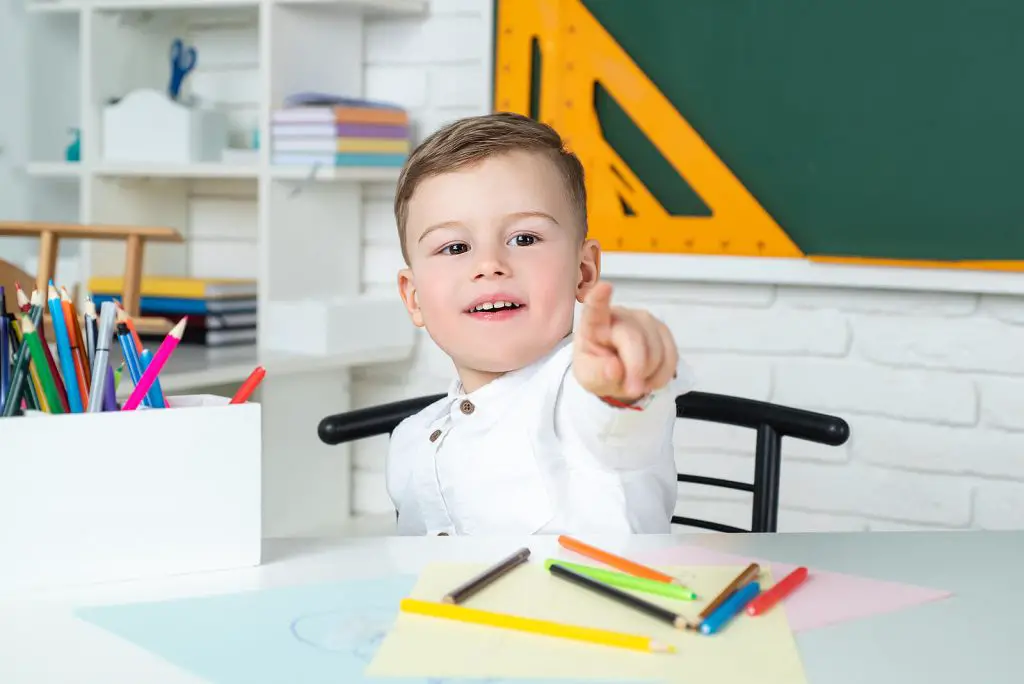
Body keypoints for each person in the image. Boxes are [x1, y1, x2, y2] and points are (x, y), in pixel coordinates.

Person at [386, 112, 692, 536]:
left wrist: (623, 379)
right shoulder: (410, 440)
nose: (489, 265)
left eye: (524, 239)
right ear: (413, 297)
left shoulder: (577, 394)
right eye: (455, 247)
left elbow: (614, 416)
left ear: (583, 271)